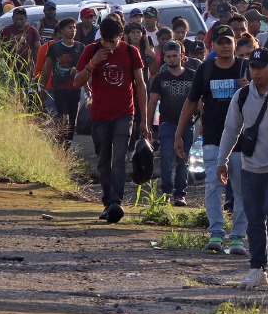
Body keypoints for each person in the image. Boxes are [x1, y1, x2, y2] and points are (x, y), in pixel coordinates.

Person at [174, 24, 250, 254]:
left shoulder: (246, 68)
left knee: (240, 189)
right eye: (221, 42)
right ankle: (216, 233)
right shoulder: (206, 70)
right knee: (213, 185)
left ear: (235, 43)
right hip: (213, 137)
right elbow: (190, 102)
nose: (226, 46)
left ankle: (237, 237)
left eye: (229, 41)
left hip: (241, 139)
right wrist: (179, 133)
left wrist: (251, 88)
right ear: (213, 46)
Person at [217, 48, 268, 290]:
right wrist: (222, 160)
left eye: (260, 67)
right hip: (250, 167)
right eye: (252, 67)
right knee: (254, 220)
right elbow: (230, 129)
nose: (255, 71)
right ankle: (257, 269)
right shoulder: (242, 95)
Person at [73, 16, 150, 223]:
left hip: (125, 113)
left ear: (121, 34)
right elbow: (76, 82)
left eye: (113, 41)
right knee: (103, 161)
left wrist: (144, 120)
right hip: (99, 115)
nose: (109, 45)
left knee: (119, 158)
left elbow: (141, 85)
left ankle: (116, 202)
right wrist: (92, 64)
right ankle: (108, 202)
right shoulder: (91, 50)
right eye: (106, 41)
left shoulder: (130, 51)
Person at [147, 40, 194, 207]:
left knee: (183, 159)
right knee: (167, 156)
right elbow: (152, 103)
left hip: (188, 124)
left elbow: (200, 101)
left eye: (175, 56)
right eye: (169, 56)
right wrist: (147, 126)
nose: (172, 59)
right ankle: (166, 192)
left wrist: (202, 122)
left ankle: (180, 194)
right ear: (164, 58)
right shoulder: (160, 78)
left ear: (182, 56)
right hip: (166, 123)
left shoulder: (192, 75)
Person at [40, 17, 84, 148]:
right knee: (62, 118)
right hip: (59, 89)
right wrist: (42, 88)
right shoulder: (54, 48)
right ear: (62, 30)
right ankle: (60, 146)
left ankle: (66, 146)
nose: (73, 30)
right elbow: (47, 69)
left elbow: (86, 67)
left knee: (72, 122)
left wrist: (85, 82)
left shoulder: (81, 47)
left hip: (75, 89)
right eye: (70, 28)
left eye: (74, 28)